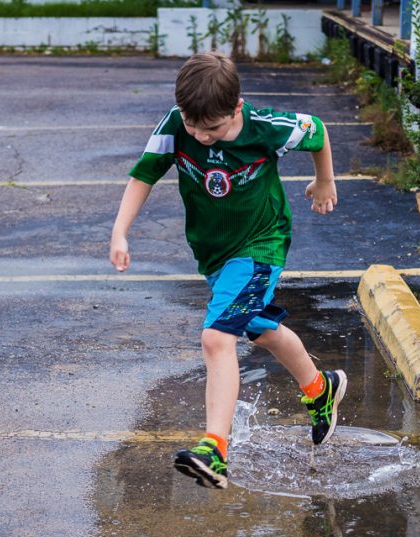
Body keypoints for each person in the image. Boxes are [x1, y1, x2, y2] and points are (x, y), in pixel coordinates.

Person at [110, 52, 347, 490]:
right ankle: (320, 388)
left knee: (217, 336)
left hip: (261, 245)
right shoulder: (176, 125)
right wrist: (120, 231)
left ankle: (214, 449)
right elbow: (143, 174)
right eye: (194, 127)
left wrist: (325, 180)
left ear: (236, 108)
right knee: (260, 327)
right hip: (214, 254)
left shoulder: (264, 126)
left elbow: (317, 130)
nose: (201, 136)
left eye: (212, 129)